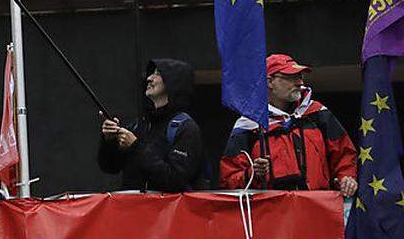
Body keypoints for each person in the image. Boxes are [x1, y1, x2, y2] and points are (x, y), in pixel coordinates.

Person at [219, 54, 356, 195]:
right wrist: (253, 174)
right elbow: (228, 180)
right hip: (271, 212)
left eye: (300, 76)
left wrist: (346, 178)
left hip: (317, 208)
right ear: (270, 82)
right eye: (291, 78)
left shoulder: (317, 114)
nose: (299, 83)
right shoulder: (249, 125)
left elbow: (344, 154)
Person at [98, 59, 208, 192]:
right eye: (151, 74)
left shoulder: (186, 129)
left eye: (158, 74)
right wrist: (109, 141)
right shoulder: (138, 126)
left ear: (174, 82)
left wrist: (135, 146)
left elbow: (175, 181)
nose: (149, 78)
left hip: (170, 211)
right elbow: (110, 167)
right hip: (132, 210)